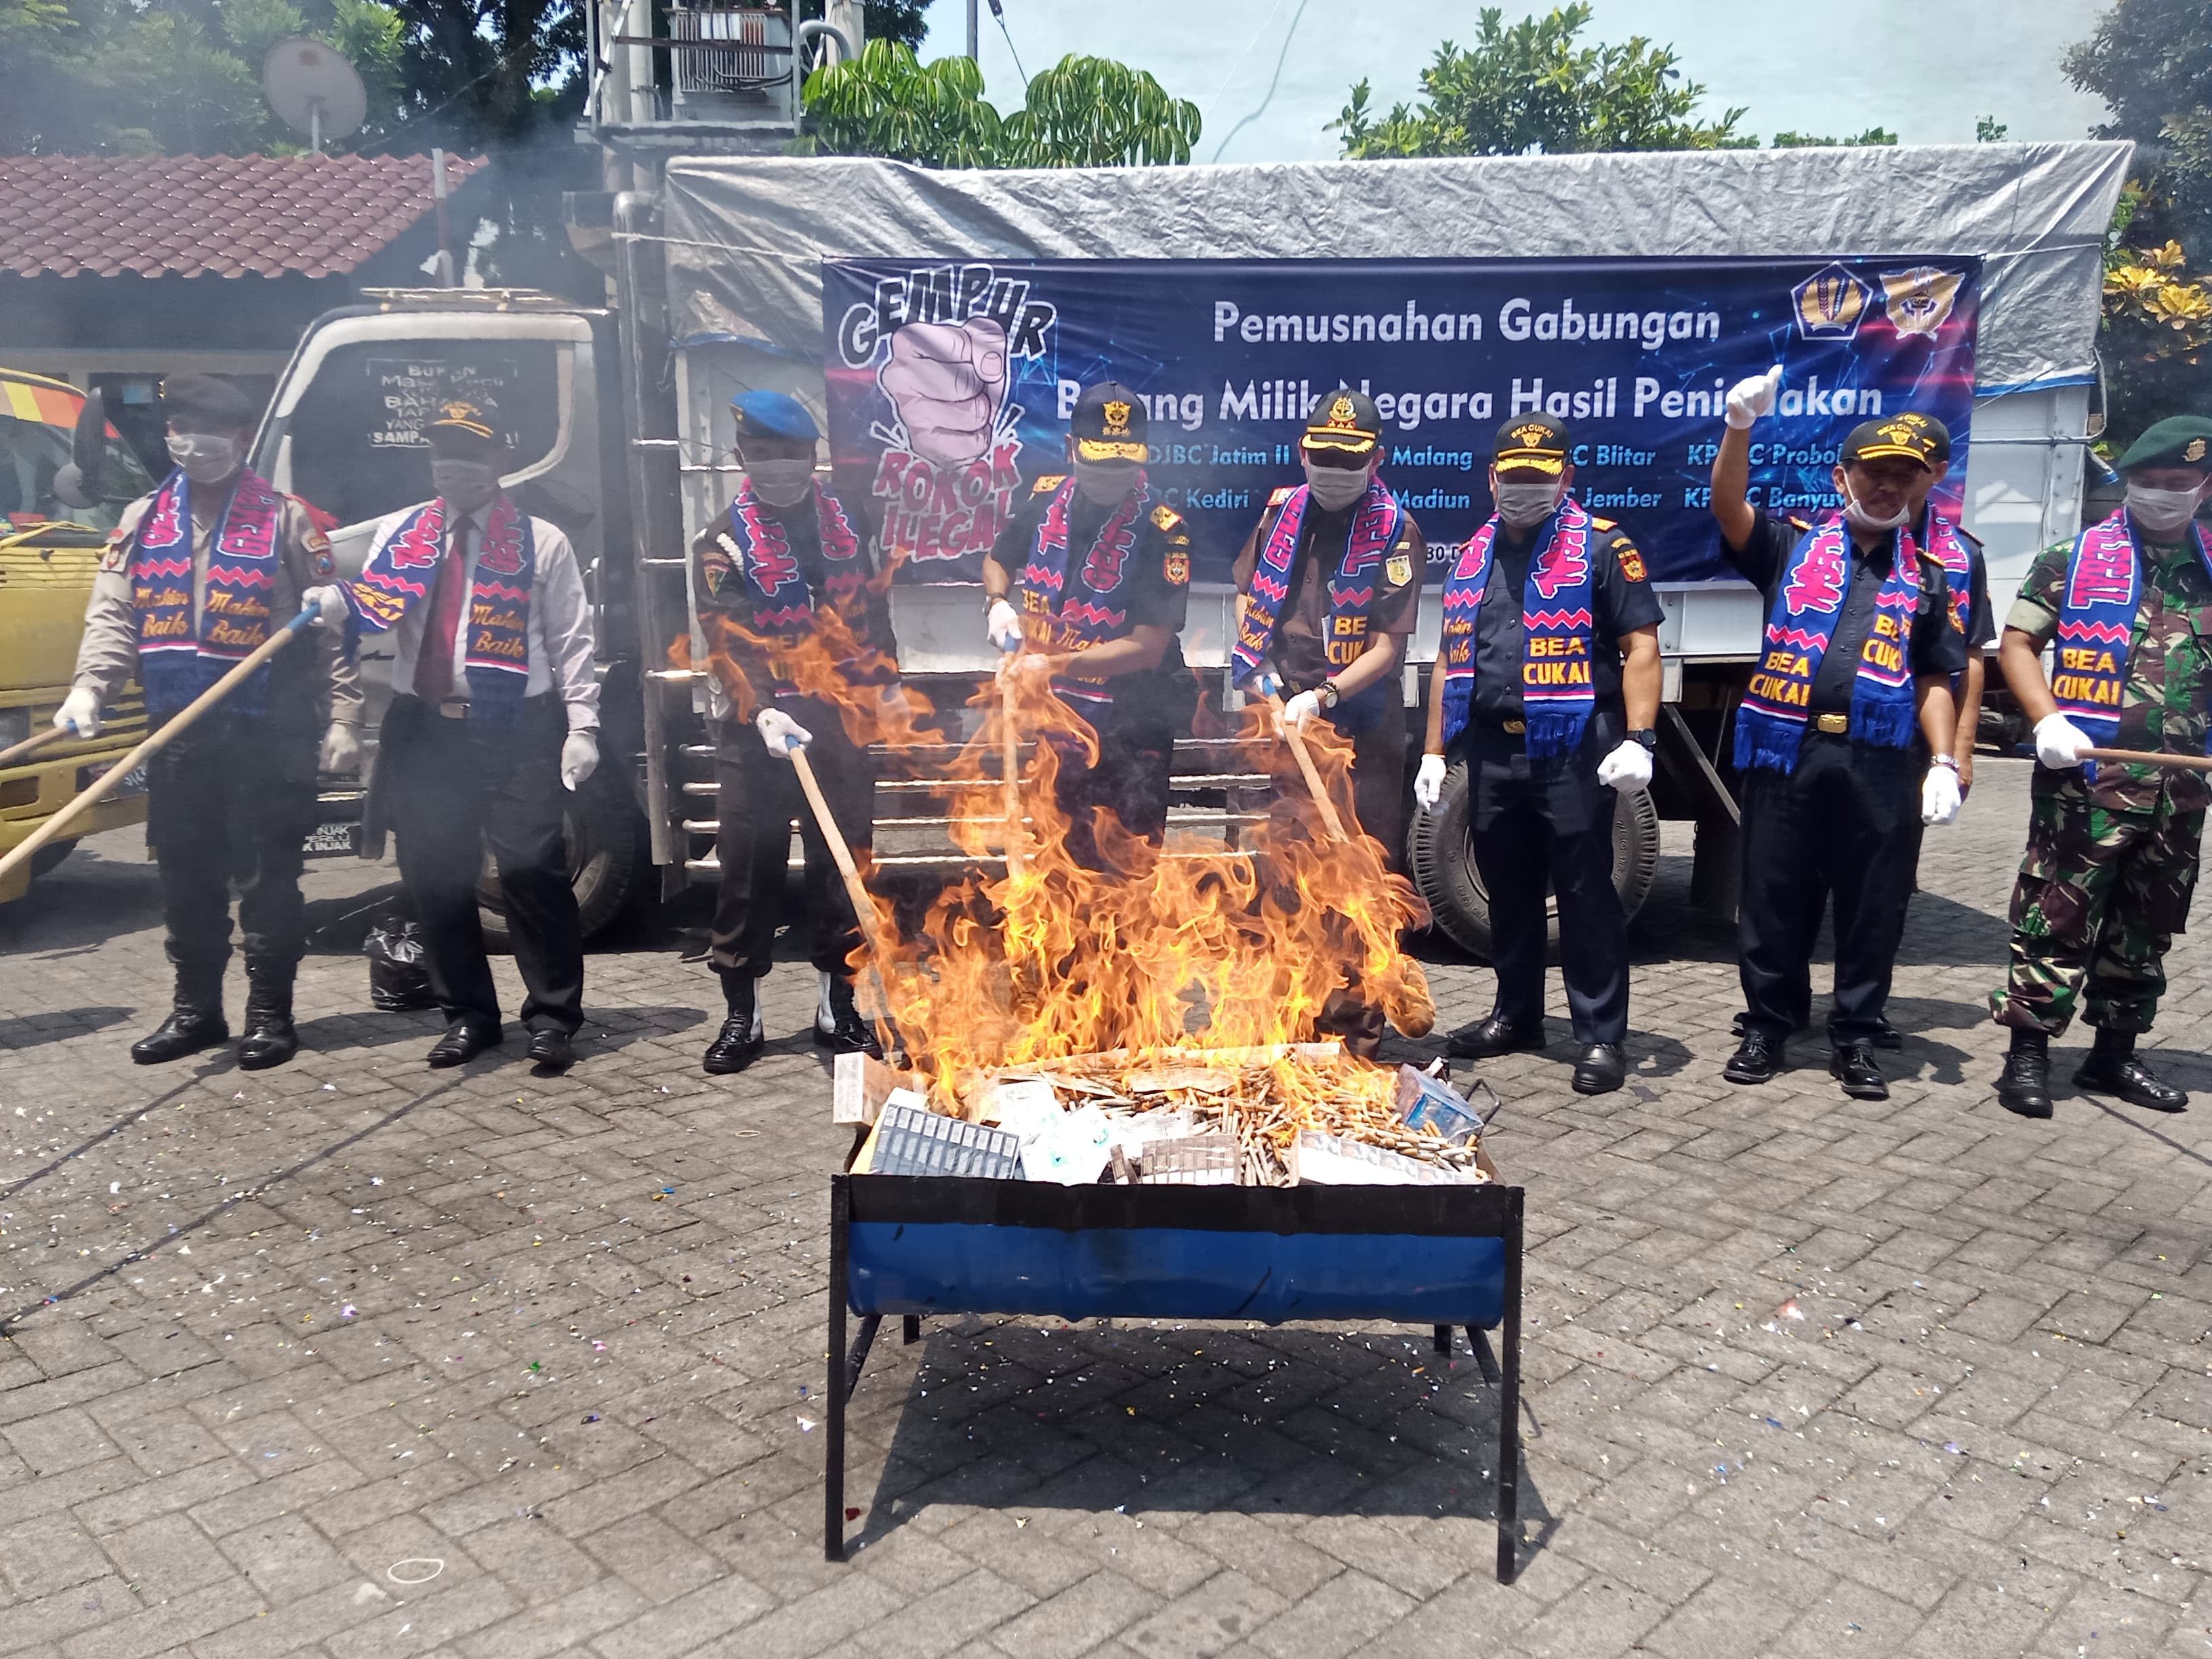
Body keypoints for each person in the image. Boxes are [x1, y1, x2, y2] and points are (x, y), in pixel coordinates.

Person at [59, 373, 361, 1069]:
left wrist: (343, 716)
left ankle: (269, 1016)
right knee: (186, 879)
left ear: (240, 439)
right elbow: (114, 614)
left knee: (266, 881)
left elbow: (327, 633)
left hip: (266, 731)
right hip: (178, 733)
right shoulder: (141, 519)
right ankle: (196, 1011)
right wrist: (89, 689)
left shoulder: (287, 520)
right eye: (180, 431)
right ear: (168, 437)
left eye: (209, 433)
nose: (192, 444)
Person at [302, 401, 599, 1071]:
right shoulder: (405, 536)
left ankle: (553, 1017)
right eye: (443, 453)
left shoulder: (541, 540)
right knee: (435, 879)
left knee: (530, 871)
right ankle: (468, 1015)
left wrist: (584, 726)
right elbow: (375, 611)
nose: (455, 466)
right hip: (427, 729)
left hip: (518, 727)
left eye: (470, 453)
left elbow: (572, 640)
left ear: (500, 461)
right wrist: (337, 606)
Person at [1710, 376, 1967, 1101]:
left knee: (1872, 903)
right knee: (1773, 895)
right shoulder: (1789, 547)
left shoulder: (1933, 577)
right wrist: (1738, 427)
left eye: (1901, 477)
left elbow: (1937, 676)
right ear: (1842, 476)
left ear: (1919, 487)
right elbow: (1728, 507)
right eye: (1872, 473)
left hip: (1881, 762)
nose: (1886, 488)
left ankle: (1856, 1036)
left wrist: (1945, 760)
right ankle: (1767, 1026)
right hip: (1786, 751)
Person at [1418, 416, 1664, 1095]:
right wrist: (1434, 751)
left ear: (1565, 478)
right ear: (1492, 477)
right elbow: (1448, 657)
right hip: (1494, 750)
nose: (1524, 490)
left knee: (1586, 894)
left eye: (1539, 478)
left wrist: (1640, 740)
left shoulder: (1603, 548)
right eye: (1514, 478)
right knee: (1510, 893)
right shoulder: (1474, 553)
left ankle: (1601, 1034)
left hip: (1573, 748)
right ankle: (1517, 1016)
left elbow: (1641, 646)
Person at [1988, 414, 2212, 1118]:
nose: (2164, 495)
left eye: (2179, 484)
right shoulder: (2074, 557)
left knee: (2148, 925)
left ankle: (2114, 1057)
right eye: (2150, 482)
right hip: (2085, 784)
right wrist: (2046, 717)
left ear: (2204, 488)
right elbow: (2017, 643)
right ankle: (2027, 1055)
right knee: (2055, 916)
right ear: (2129, 484)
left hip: (2181, 791)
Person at [691, 390, 899, 1075]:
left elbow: (871, 611)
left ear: (812, 458)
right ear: (741, 458)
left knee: (843, 866)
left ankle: (836, 1008)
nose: (779, 465)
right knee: (748, 871)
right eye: (764, 454)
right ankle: (742, 1015)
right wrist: (762, 708)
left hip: (839, 722)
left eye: (791, 453)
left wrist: (887, 682)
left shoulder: (851, 521)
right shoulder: (720, 541)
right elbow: (726, 640)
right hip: (759, 730)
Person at [1229, 388, 1425, 1053]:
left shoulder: (1397, 530)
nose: (1334, 471)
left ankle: (1357, 1035)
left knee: (1359, 879)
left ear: (1377, 460)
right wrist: (1260, 669)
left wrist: (1327, 697)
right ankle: (1295, 1026)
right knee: (1289, 876)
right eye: (1324, 457)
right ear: (1303, 452)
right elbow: (1245, 594)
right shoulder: (1280, 513)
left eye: (1351, 460)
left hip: (1360, 728)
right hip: (1288, 722)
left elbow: (1389, 647)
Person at [982, 382, 1193, 877]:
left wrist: (1049, 665)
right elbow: (998, 558)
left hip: (1130, 722)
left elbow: (1147, 646)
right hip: (1053, 721)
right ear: (1071, 448)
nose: (1111, 475)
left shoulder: (1166, 530)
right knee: (1056, 862)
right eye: (1099, 462)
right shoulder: (1044, 501)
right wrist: (997, 605)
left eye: (1124, 464)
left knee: (1123, 868)